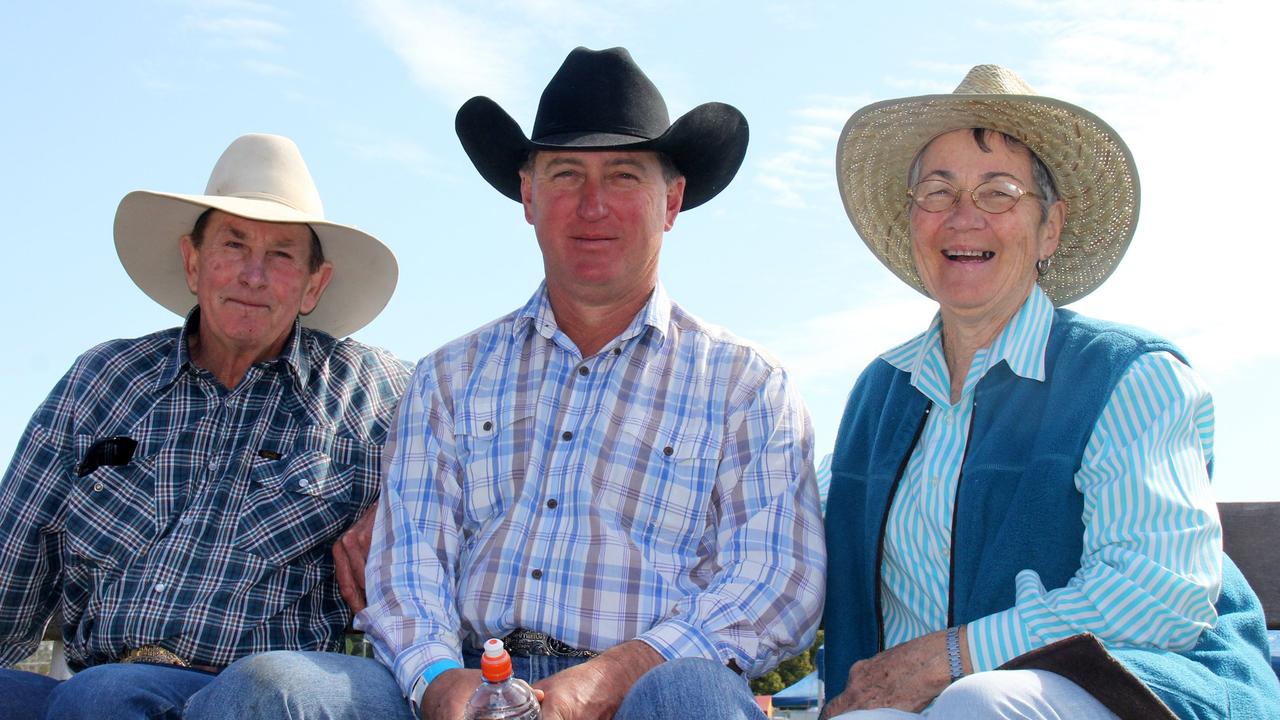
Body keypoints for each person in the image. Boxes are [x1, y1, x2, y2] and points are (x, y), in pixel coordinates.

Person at [192, 46, 825, 720]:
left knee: (696, 698)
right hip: (468, 677)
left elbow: (775, 581)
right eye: (564, 174)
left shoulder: (746, 385)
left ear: (671, 201)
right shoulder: (449, 377)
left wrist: (620, 671)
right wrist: (440, 681)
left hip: (650, 684)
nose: (592, 205)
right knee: (274, 691)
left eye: (623, 176)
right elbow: (410, 563)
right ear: (528, 195)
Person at [821, 65, 1280, 719]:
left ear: (1050, 228)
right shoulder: (881, 392)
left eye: (999, 194)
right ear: (912, 219)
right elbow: (804, 556)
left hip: (1141, 694)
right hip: (922, 708)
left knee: (981, 701)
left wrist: (949, 658)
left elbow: (1157, 596)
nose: (963, 218)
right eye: (937, 191)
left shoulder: (1132, 374)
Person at [0, 133, 411, 720]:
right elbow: (10, 561)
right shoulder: (102, 380)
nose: (252, 274)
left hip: (256, 689)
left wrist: (398, 500)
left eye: (282, 255)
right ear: (193, 262)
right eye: (233, 244)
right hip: (94, 680)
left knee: (106, 697)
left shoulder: (377, 393)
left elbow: (473, 440)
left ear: (313, 285)